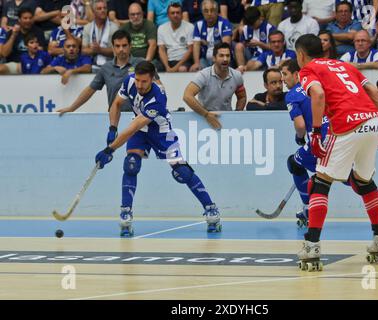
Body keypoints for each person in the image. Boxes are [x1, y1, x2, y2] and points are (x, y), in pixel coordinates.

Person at [294, 34, 378, 271]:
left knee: (320, 182)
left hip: (346, 125)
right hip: (370, 121)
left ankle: (312, 244)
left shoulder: (307, 70)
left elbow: (318, 95)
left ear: (300, 55)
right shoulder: (345, 65)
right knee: (364, 181)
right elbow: (376, 95)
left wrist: (316, 132)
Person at [94, 60, 222, 237]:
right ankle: (126, 213)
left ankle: (211, 209)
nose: (139, 85)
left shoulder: (158, 98)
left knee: (182, 171)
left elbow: (134, 127)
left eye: (144, 81)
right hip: (140, 129)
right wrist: (112, 128)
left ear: (152, 79)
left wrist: (110, 149)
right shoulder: (130, 81)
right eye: (138, 80)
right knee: (131, 164)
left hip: (160, 131)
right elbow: (116, 104)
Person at [281, 58, 378, 229]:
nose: (283, 79)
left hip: (324, 134)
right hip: (350, 126)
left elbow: (300, 126)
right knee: (351, 176)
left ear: (297, 73)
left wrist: (300, 137)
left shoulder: (293, 93)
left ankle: (308, 209)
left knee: (296, 164)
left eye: (285, 74)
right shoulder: (327, 79)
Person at [57, 30, 155, 114]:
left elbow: (158, 86)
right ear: (113, 47)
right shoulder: (106, 68)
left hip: (140, 117)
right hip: (114, 118)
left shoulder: (142, 63)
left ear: (130, 46)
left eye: (124, 45)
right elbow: (90, 90)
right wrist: (72, 108)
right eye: (117, 46)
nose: (121, 49)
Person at [183, 42, 246, 129]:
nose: (225, 59)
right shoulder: (203, 75)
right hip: (204, 118)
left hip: (227, 119)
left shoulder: (237, 76)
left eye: (228, 56)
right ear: (214, 58)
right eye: (221, 55)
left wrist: (236, 114)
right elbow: (187, 96)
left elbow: (242, 97)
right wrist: (206, 114)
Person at [0, 7, 46, 74]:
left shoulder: (38, 31)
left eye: (30, 18)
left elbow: (41, 51)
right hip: (15, 64)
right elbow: (4, 53)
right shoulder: (12, 32)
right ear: (19, 19)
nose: (28, 20)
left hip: (33, 63)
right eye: (25, 18)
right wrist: (13, 35)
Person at [189, 0, 232, 71]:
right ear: (202, 13)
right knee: (196, 68)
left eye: (212, 10)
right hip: (205, 59)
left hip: (221, 59)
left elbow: (225, 47)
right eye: (206, 11)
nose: (209, 14)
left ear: (216, 11)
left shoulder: (224, 23)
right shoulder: (198, 25)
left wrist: (216, 60)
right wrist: (196, 63)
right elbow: (196, 45)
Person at [235, 6, 275, 71]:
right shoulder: (246, 28)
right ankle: (241, 68)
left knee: (250, 64)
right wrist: (246, 43)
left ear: (259, 18)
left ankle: (244, 69)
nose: (252, 26)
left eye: (253, 23)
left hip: (264, 55)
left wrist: (259, 44)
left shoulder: (269, 28)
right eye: (250, 24)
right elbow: (242, 44)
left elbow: (275, 47)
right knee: (238, 46)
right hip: (251, 54)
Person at [81, 0, 118, 72]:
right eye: (99, 8)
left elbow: (117, 51)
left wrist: (100, 50)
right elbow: (83, 50)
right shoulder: (87, 27)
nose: (103, 10)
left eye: (105, 8)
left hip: (111, 66)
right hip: (92, 66)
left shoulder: (114, 27)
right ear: (94, 12)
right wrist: (95, 50)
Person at [157, 2, 194, 72]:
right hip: (168, 60)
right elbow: (161, 50)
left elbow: (190, 50)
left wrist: (175, 67)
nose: (175, 15)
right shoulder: (161, 28)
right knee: (154, 68)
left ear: (182, 14)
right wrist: (167, 66)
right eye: (172, 13)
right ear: (168, 15)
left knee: (182, 69)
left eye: (178, 12)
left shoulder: (190, 27)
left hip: (184, 60)